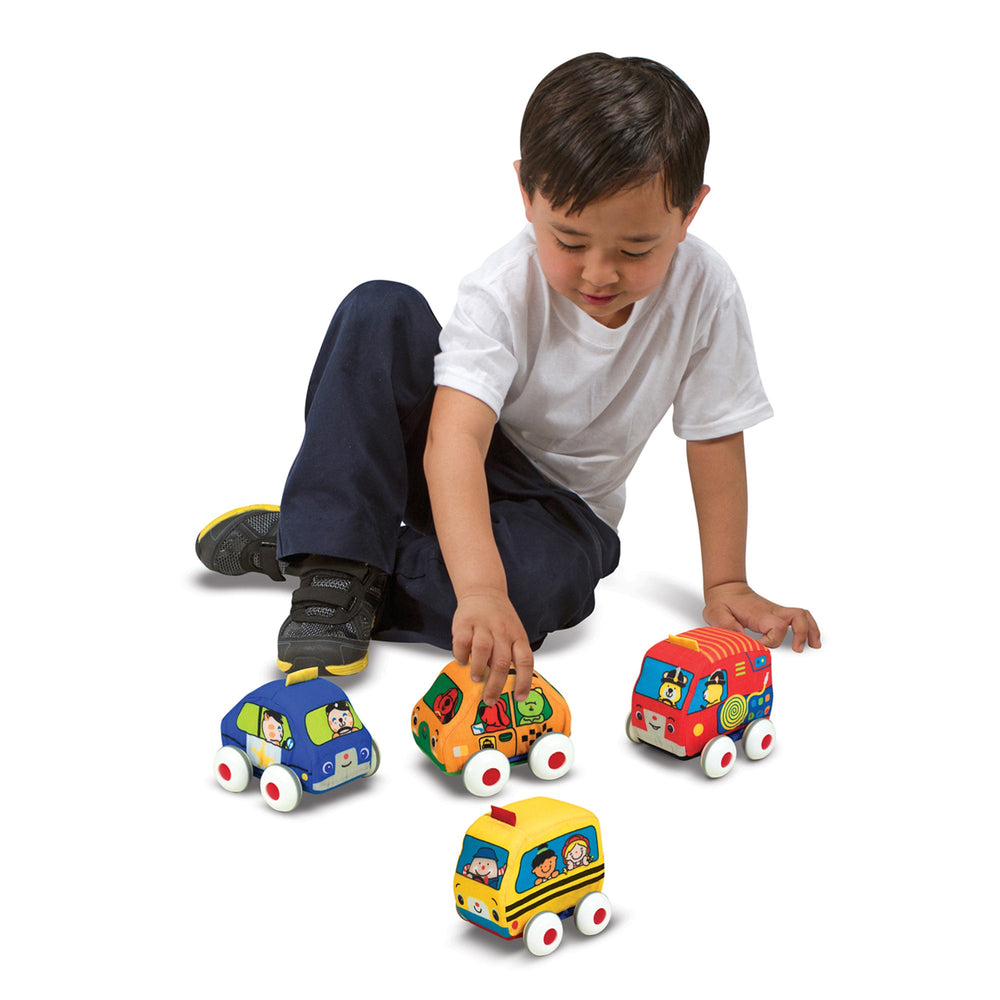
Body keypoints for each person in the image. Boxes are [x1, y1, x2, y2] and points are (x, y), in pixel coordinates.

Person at [196, 53, 820, 705]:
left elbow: (714, 433)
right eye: (570, 242)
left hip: (562, 512)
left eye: (636, 250)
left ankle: (329, 540)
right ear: (526, 192)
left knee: (544, 588)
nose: (599, 273)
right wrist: (479, 589)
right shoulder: (502, 290)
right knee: (380, 309)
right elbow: (456, 440)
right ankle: (332, 561)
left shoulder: (706, 290)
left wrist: (726, 584)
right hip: (457, 455)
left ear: (690, 213)